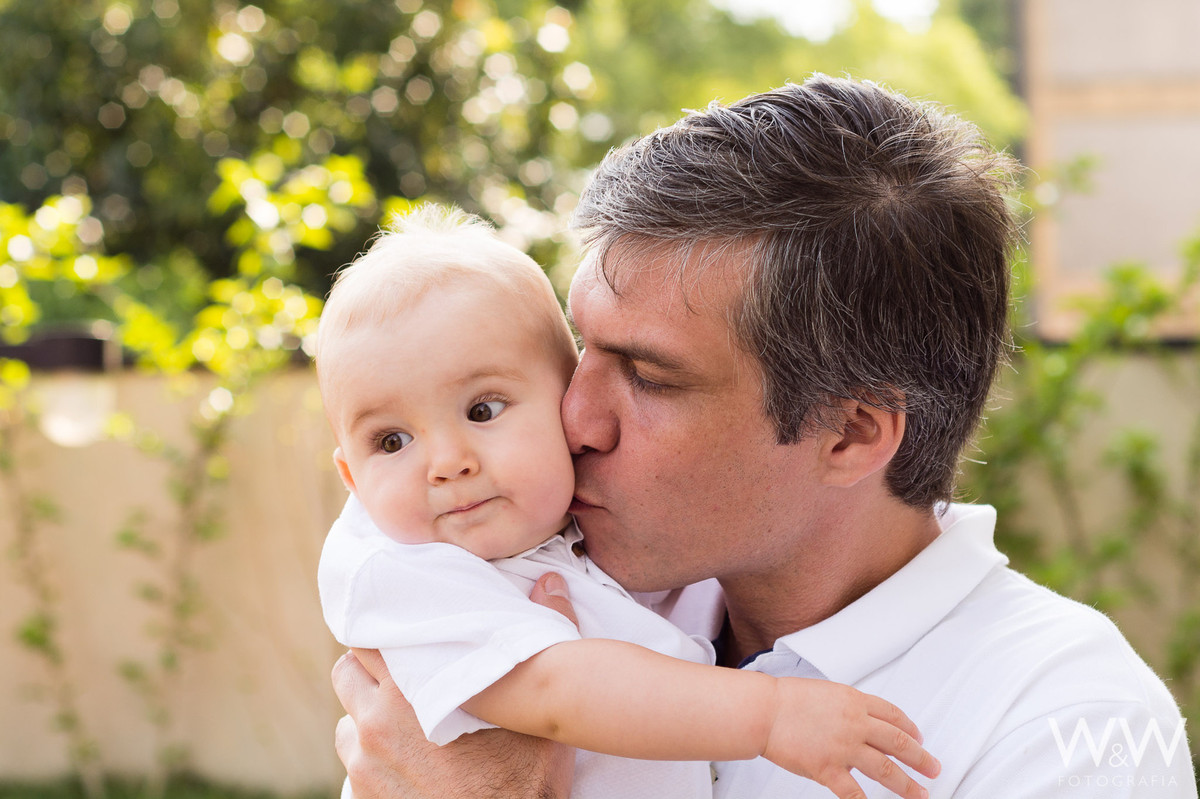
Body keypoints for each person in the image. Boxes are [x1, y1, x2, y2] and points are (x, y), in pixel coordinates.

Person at [330, 76, 1198, 798]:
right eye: (581, 347)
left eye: (649, 375)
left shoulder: (1069, 726)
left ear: (850, 434)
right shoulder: (521, 586)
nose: (575, 418)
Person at [314, 204, 940, 799]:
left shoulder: (587, 531)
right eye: (391, 441)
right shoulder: (405, 574)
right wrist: (769, 715)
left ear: (562, 394)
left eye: (484, 410)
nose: (447, 463)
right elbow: (557, 690)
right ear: (351, 476)